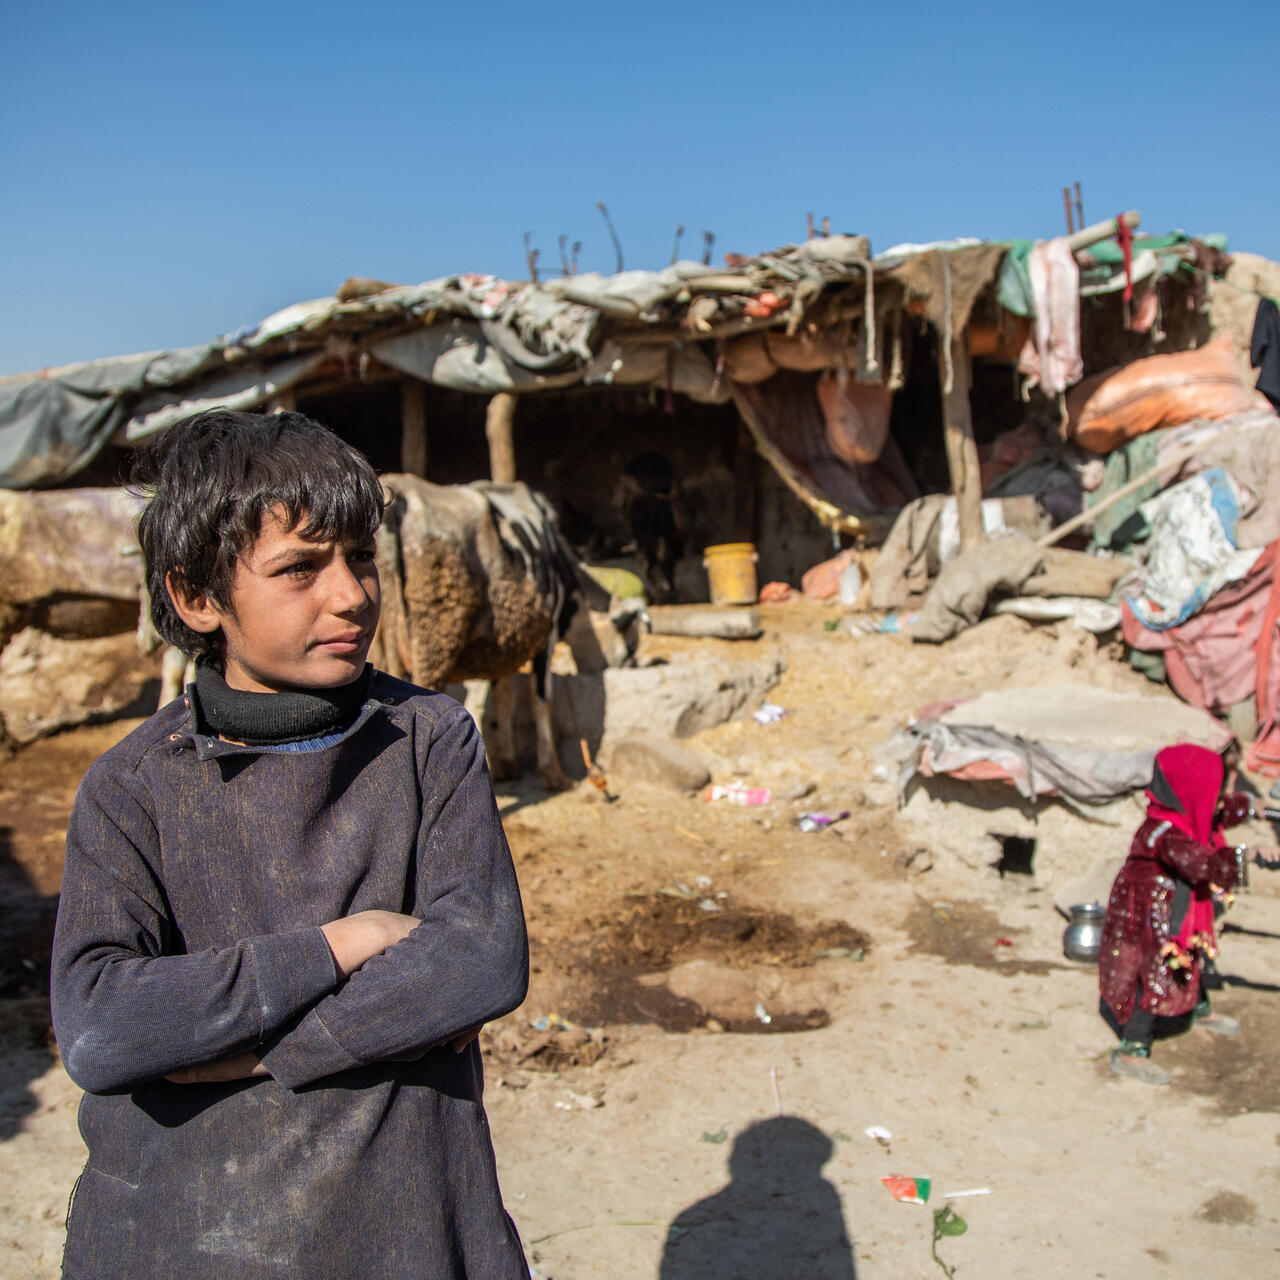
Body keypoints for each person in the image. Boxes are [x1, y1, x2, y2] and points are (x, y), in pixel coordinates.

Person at [50, 410, 531, 1277]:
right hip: (187, 1233)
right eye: (300, 568)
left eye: (360, 558)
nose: (349, 594)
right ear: (197, 596)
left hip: (408, 1219)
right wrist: (347, 944)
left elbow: (481, 962)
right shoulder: (130, 788)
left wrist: (252, 1051)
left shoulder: (429, 739)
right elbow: (102, 1029)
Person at [1098, 742, 1256, 1086]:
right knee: (1156, 972)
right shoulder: (1164, 832)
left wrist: (1252, 808)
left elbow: (1225, 810)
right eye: (1215, 792)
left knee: (1193, 954)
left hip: (1182, 909)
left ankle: (1197, 1008)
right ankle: (1132, 1049)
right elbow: (1202, 864)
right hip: (1152, 918)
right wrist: (1253, 856)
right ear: (1189, 791)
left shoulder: (1185, 813)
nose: (1220, 800)